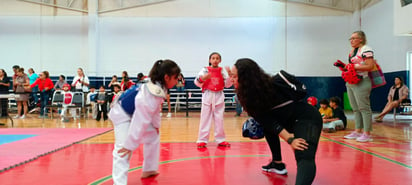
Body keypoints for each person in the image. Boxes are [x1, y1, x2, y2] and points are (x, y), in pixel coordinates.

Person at [227, 58, 322, 185]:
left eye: (233, 76)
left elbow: (300, 92)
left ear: (245, 78)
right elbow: (268, 122)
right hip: (285, 121)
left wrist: (293, 140)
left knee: (303, 154)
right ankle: (277, 164)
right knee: (265, 126)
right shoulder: (246, 97)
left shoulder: (276, 83)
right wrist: (289, 139)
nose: (230, 79)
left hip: (306, 118)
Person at [109, 59, 181, 184]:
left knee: (153, 134)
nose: (177, 81)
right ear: (167, 77)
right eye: (175, 78)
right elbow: (141, 119)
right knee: (123, 149)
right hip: (121, 113)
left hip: (134, 112)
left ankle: (149, 169)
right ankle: (119, 182)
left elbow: (153, 110)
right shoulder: (152, 91)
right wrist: (130, 143)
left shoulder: (158, 87)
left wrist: (156, 125)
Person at [342, 31, 375, 142]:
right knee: (355, 109)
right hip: (351, 81)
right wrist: (344, 67)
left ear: (360, 39)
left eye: (354, 38)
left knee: (364, 108)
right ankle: (358, 130)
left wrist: (354, 67)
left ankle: (367, 133)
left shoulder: (366, 49)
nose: (351, 40)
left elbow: (370, 66)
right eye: (350, 39)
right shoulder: (352, 52)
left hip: (362, 81)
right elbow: (351, 66)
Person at [195, 52, 232, 148]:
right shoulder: (205, 70)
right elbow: (197, 82)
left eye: (217, 58)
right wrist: (202, 78)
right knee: (205, 119)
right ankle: (202, 140)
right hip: (208, 95)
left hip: (219, 95)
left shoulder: (222, 70)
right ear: (209, 60)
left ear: (220, 60)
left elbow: (228, 85)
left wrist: (230, 76)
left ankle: (221, 139)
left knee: (219, 119)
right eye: (213, 58)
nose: (215, 60)